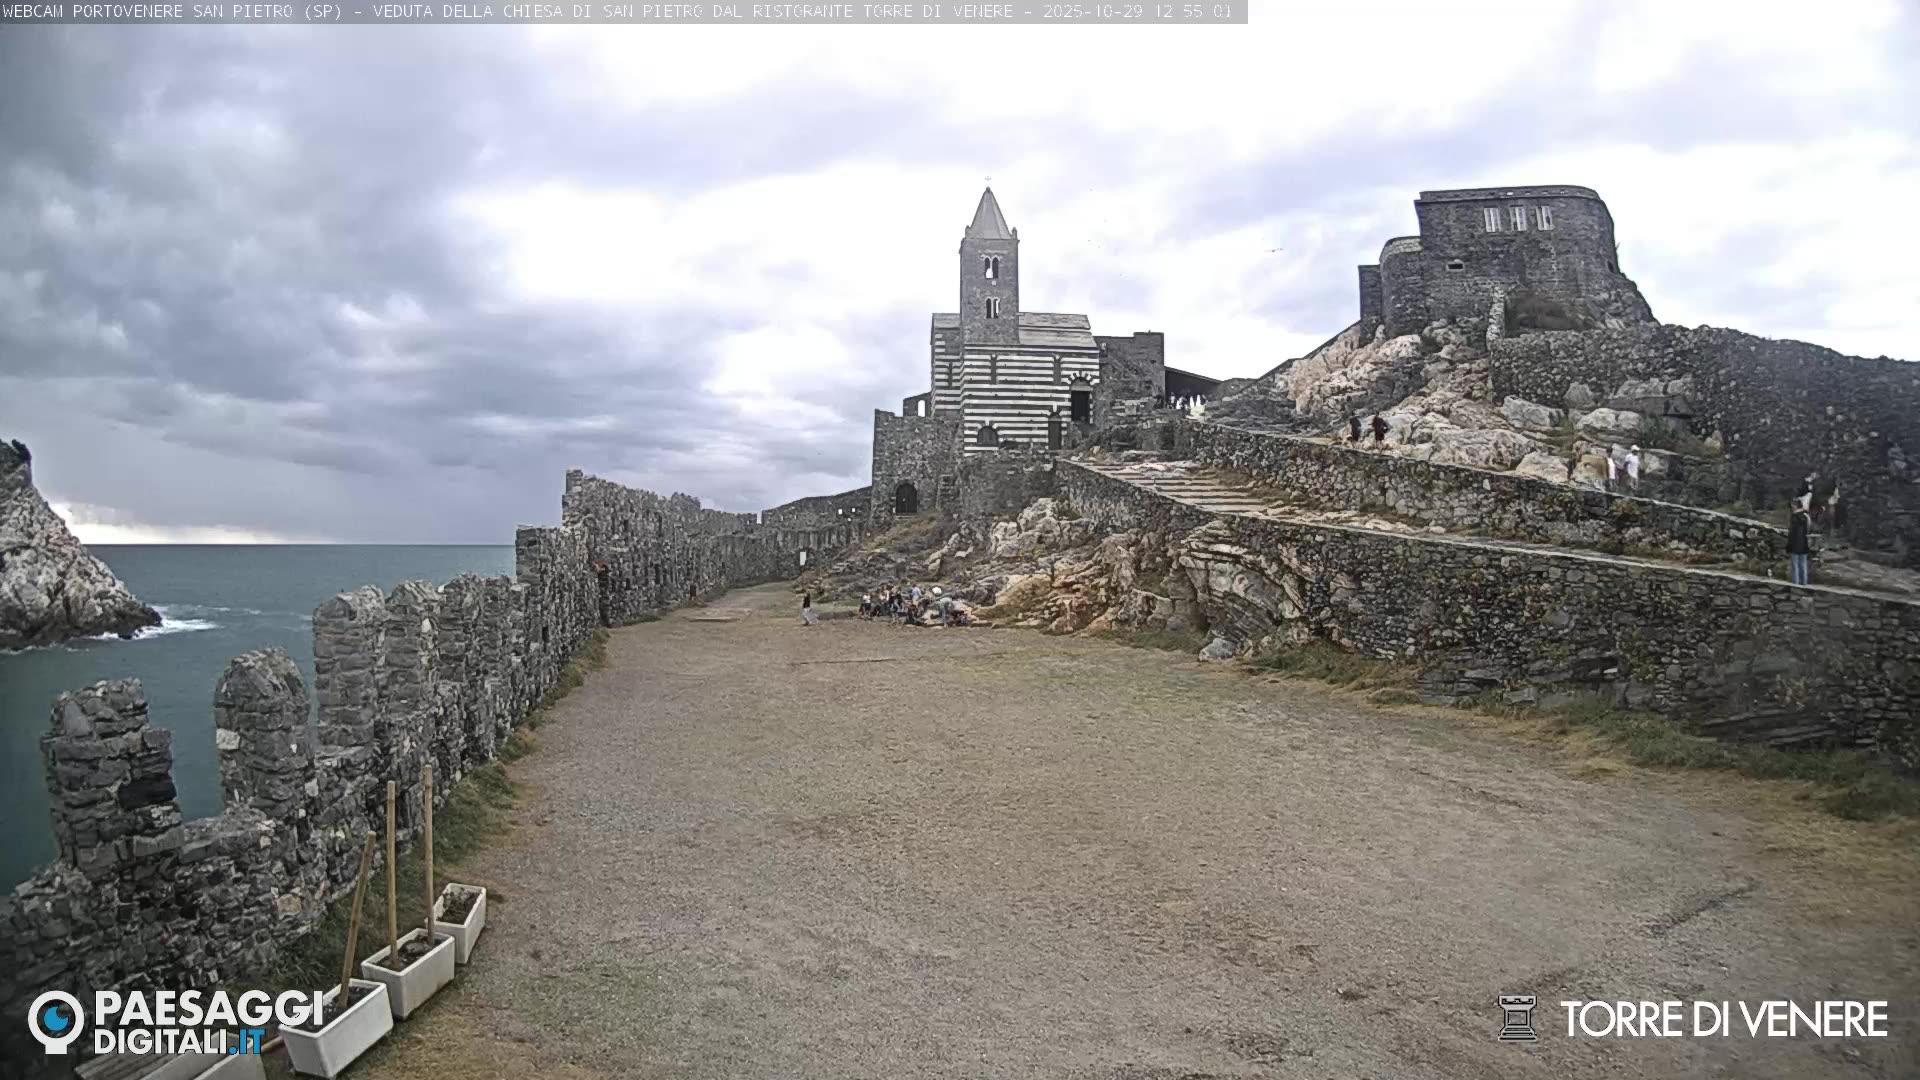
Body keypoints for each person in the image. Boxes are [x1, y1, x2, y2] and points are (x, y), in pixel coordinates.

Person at [1787, 505, 1812, 586]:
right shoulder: (1806, 516)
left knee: (1795, 565)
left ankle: (1796, 583)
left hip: (1795, 544)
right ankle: (1804, 582)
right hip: (1804, 543)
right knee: (1803, 564)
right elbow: (1809, 530)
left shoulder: (1794, 517)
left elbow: (1791, 533)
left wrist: (1788, 546)